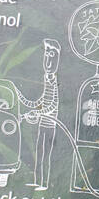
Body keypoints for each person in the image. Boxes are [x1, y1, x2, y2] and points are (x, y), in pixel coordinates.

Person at [20, 39, 61, 190]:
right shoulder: (47, 79)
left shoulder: (54, 80)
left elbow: (52, 104)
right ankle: (37, 180)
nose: (48, 60)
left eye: (52, 55)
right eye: (46, 54)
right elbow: (41, 101)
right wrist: (22, 98)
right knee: (39, 152)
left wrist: (37, 112)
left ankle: (44, 183)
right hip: (42, 124)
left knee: (46, 155)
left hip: (50, 125)